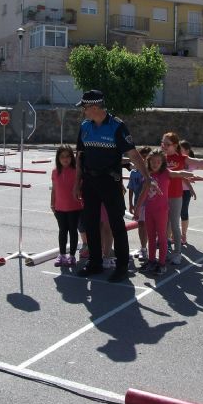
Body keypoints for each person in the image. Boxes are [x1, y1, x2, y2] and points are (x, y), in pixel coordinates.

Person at [73, 90, 150, 283]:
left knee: (116, 224)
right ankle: (95, 262)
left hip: (110, 182)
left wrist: (147, 177)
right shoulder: (84, 127)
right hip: (89, 182)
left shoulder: (117, 126)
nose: (83, 111)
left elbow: (133, 154)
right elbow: (80, 157)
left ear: (95, 107)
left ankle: (122, 266)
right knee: (91, 223)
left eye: (85, 107)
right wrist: (77, 183)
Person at [162, 132, 203, 265]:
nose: (163, 146)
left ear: (175, 145)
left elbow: (200, 162)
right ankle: (165, 248)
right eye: (162, 143)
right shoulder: (160, 157)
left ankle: (177, 253)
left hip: (175, 196)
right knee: (165, 224)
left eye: (167, 144)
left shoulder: (182, 158)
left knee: (174, 224)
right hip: (161, 196)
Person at [133, 149, 203, 276]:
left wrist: (190, 175)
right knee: (151, 237)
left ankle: (162, 264)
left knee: (162, 237)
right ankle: (152, 261)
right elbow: (143, 194)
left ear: (162, 163)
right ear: (148, 161)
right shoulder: (147, 174)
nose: (155, 164)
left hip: (162, 211)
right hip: (149, 210)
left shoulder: (166, 173)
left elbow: (179, 173)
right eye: (153, 161)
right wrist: (137, 209)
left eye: (158, 161)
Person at [51, 145, 83, 267]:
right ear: (58, 158)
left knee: (73, 231)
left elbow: (81, 188)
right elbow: (54, 189)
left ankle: (73, 256)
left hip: (74, 207)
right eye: (62, 157)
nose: (65, 159)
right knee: (62, 231)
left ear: (72, 157)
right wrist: (52, 203)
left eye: (68, 156)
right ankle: (62, 255)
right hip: (60, 208)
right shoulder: (55, 172)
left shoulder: (76, 171)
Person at [127, 146, 152, 260]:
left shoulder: (151, 173)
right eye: (142, 157)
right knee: (141, 225)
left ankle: (151, 247)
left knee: (149, 226)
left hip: (150, 204)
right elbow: (131, 188)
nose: (144, 160)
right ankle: (143, 248)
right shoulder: (134, 173)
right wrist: (131, 203)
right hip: (139, 203)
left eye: (146, 157)